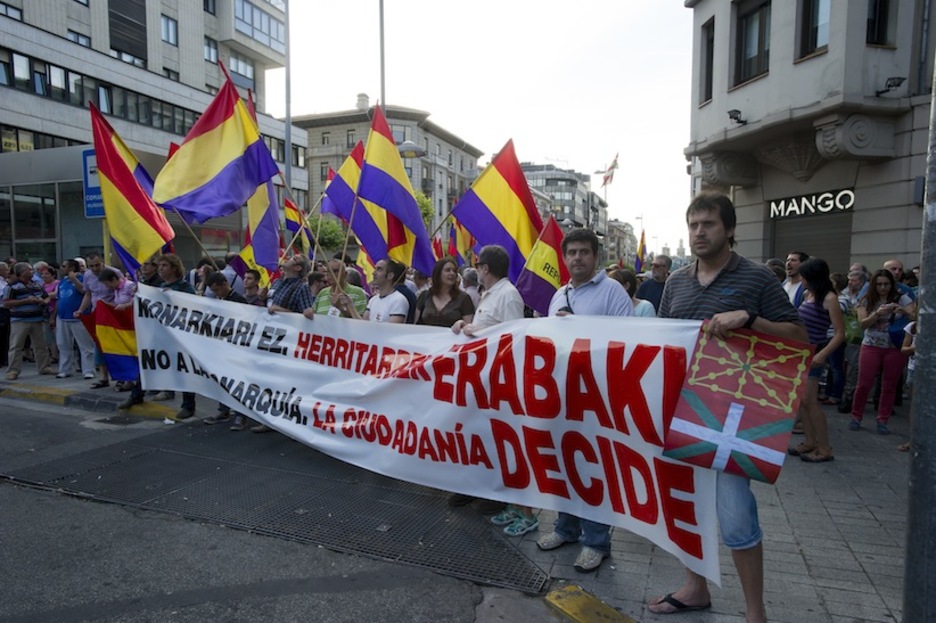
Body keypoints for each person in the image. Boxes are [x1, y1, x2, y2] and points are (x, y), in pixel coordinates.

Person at [648, 194, 806, 622]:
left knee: (736, 515)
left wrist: (749, 320)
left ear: (730, 230)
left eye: (709, 224)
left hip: (733, 417)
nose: (700, 232)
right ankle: (695, 588)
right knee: (686, 506)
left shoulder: (757, 279)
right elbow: (664, 341)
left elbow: (798, 338)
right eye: (693, 225)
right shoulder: (676, 281)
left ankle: (756, 612)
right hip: (682, 411)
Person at [536, 228, 635, 573]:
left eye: (583, 252)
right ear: (564, 258)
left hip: (597, 394)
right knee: (564, 462)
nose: (577, 258)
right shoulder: (558, 294)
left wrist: (578, 326)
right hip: (563, 392)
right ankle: (566, 528)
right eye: (572, 253)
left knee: (593, 468)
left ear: (596, 257)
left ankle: (596, 541)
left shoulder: (613, 292)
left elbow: (627, 341)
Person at [450, 245, 522, 520]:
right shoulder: (488, 294)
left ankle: (497, 493)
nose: (476, 270)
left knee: (494, 436)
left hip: (498, 379)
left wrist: (479, 331)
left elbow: (514, 338)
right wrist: (462, 326)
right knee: (476, 432)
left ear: (485, 269)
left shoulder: (508, 295)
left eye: (478, 266)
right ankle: (473, 486)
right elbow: (485, 332)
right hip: (480, 377)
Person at [119, 255, 198, 420]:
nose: (160, 269)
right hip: (159, 333)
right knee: (147, 362)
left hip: (178, 337)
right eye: (160, 266)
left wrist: (175, 297)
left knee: (183, 370)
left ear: (174, 268)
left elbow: (194, 308)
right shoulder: (159, 286)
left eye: (164, 266)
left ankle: (188, 406)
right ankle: (136, 395)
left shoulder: (184, 287)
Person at [788, 258, 844, 463]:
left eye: (803, 275)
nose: (800, 278)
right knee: (803, 401)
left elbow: (840, 333)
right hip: (802, 352)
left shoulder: (829, 298)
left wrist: (823, 354)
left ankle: (824, 448)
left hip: (815, 353)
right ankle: (810, 441)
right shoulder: (807, 294)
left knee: (810, 402)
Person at [849, 269, 913, 435]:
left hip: (894, 347)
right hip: (871, 345)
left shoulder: (902, 298)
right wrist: (877, 314)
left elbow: (915, 318)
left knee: (889, 385)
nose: (883, 288)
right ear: (873, 286)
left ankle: (882, 419)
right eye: (879, 284)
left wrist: (904, 311)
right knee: (864, 383)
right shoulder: (867, 300)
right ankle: (856, 416)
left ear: (892, 284)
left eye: (886, 284)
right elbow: (862, 324)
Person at [201, 272, 253, 431]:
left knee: (238, 381)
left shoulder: (239, 300)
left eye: (218, 289)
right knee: (222, 380)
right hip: (222, 347)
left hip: (236, 348)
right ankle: (223, 410)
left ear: (225, 284)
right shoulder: (219, 301)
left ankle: (240, 415)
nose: (216, 293)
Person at [75, 252, 119, 389]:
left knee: (115, 347)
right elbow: (88, 294)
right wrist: (81, 310)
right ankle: (104, 377)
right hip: (96, 314)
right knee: (99, 346)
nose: (94, 268)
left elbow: (120, 290)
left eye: (97, 265)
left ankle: (119, 377)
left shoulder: (114, 272)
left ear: (103, 262)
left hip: (112, 314)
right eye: (91, 266)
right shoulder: (88, 275)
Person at [3, 262, 54, 379]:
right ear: (22, 272)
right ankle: (13, 370)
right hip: (20, 320)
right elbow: (6, 303)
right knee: (16, 345)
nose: (32, 272)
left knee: (41, 345)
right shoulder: (12, 287)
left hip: (37, 318)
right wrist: (26, 301)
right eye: (30, 270)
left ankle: (44, 367)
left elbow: (46, 296)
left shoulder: (36, 284)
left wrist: (43, 301)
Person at [54, 260, 95, 380]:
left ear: (72, 268)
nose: (61, 268)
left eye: (64, 266)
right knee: (63, 345)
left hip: (78, 318)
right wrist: (54, 316)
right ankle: (65, 369)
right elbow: (58, 299)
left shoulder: (83, 278)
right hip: (62, 317)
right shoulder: (62, 282)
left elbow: (84, 291)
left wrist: (74, 279)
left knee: (85, 346)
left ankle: (88, 370)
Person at [837, 269, 868, 414]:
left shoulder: (865, 296)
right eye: (849, 280)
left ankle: (848, 398)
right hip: (843, 334)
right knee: (843, 366)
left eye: (854, 280)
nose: (850, 283)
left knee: (852, 368)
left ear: (861, 282)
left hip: (857, 336)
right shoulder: (844, 294)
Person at [415, 257, 475, 327]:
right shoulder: (424, 296)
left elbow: (468, 326)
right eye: (448, 270)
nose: (452, 273)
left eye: (454, 271)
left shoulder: (464, 298)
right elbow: (415, 324)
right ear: (438, 273)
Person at [347, 259, 409, 323]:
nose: (373, 273)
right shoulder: (373, 300)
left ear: (390, 275)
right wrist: (350, 306)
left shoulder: (399, 300)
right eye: (375, 269)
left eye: (379, 269)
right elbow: (363, 325)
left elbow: (392, 330)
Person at [267, 254, 316, 319]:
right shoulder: (277, 282)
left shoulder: (302, 287)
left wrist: (281, 310)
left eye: (294, 258)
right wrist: (262, 297)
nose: (288, 257)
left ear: (298, 268)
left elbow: (306, 317)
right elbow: (269, 304)